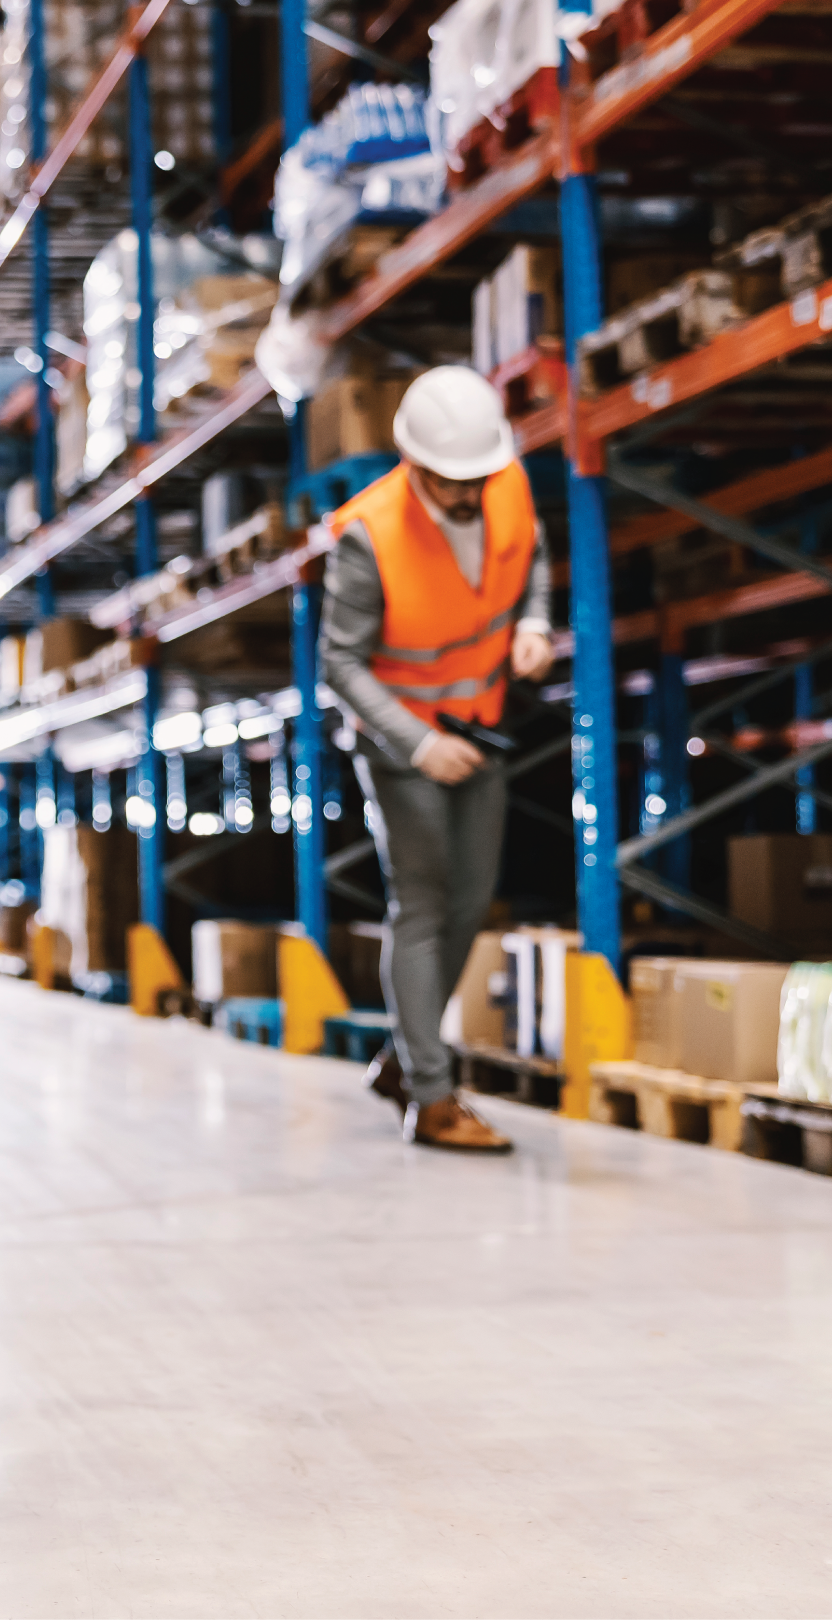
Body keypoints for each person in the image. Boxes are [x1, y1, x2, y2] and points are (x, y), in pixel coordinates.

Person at [320, 363, 554, 1153]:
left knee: (468, 903)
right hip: (401, 746)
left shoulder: (506, 484)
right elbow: (339, 665)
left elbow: (535, 554)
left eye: (476, 478)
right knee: (420, 905)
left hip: (481, 726)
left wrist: (535, 621)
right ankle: (431, 1094)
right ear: (413, 461)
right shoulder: (367, 536)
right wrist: (417, 744)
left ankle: (404, 1055)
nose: (467, 493)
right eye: (450, 480)